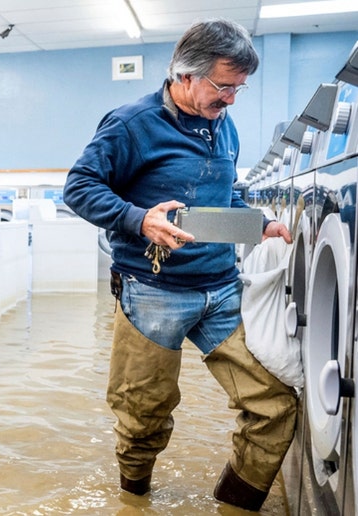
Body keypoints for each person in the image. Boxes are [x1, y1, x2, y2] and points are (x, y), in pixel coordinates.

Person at [63, 19, 296, 512]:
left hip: (220, 290)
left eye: (239, 88)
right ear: (185, 75)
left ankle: (234, 504)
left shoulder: (222, 124)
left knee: (274, 407)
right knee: (143, 417)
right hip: (152, 290)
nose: (232, 99)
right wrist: (138, 218)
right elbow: (79, 187)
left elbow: (219, 191)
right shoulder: (132, 124)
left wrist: (258, 224)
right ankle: (134, 501)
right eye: (223, 86)